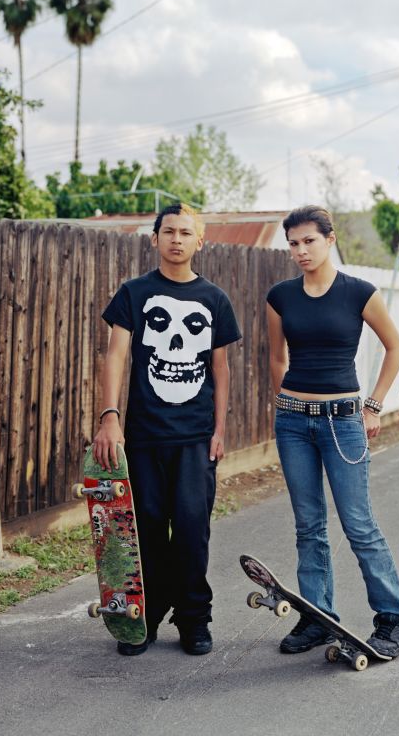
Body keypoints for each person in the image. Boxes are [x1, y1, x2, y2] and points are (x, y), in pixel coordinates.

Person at [266, 204, 399, 658]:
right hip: (292, 423)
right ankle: (317, 617)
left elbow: (395, 346)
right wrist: (285, 402)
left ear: (330, 240)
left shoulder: (359, 293)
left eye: (309, 240)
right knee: (308, 525)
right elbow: (276, 358)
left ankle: (393, 619)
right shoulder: (280, 297)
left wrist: (373, 404)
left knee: (358, 524)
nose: (300, 250)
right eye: (293, 243)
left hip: (342, 423)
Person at [93, 202, 241, 657]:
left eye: (185, 232)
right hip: (143, 437)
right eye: (168, 231)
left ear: (200, 242)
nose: (177, 239)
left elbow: (221, 369)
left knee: (193, 530)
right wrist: (109, 417)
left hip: (195, 438)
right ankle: (148, 616)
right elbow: (115, 355)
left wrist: (219, 428)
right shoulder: (134, 294)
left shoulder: (214, 299)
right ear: (154, 239)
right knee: (150, 530)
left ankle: (194, 619)